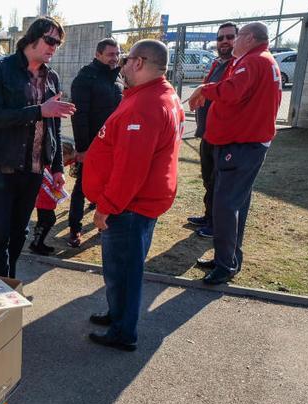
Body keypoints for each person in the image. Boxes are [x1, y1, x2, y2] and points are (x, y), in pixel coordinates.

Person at [82, 40, 185, 352]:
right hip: (139, 203)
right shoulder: (158, 95)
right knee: (122, 269)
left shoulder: (145, 105)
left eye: (126, 60)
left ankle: (123, 331)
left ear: (139, 63)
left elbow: (130, 169)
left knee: (124, 271)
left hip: (129, 206)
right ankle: (118, 315)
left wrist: (106, 208)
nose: (121, 65)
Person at [188, 22, 282, 285]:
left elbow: (231, 91)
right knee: (235, 204)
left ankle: (225, 264)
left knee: (226, 206)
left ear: (249, 38)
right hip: (246, 143)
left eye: (237, 35)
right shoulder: (259, 60)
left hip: (241, 145)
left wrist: (204, 90)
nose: (234, 40)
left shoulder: (252, 62)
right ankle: (227, 258)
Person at [0, 16, 75, 278]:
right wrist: (39, 111)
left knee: (20, 231)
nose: (54, 47)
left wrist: (57, 168)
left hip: (35, 169)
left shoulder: (51, 77)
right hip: (4, 167)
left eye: (57, 43)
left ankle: (9, 281)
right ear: (32, 38)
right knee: (1, 230)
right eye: (50, 40)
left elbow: (53, 127)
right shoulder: (1, 69)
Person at [67, 37, 122, 247]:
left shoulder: (117, 78)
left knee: (108, 186)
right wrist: (83, 148)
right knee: (82, 186)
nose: (114, 58)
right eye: (110, 54)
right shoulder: (85, 78)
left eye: (117, 54)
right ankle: (74, 228)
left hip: (113, 145)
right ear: (98, 54)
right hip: (91, 145)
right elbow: (79, 115)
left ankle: (103, 224)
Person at [187, 22, 238, 239]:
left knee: (219, 181)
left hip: (224, 135)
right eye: (220, 38)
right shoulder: (217, 64)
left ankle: (216, 224)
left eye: (229, 37)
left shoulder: (238, 65)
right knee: (208, 178)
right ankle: (209, 216)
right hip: (207, 132)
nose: (224, 41)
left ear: (238, 39)